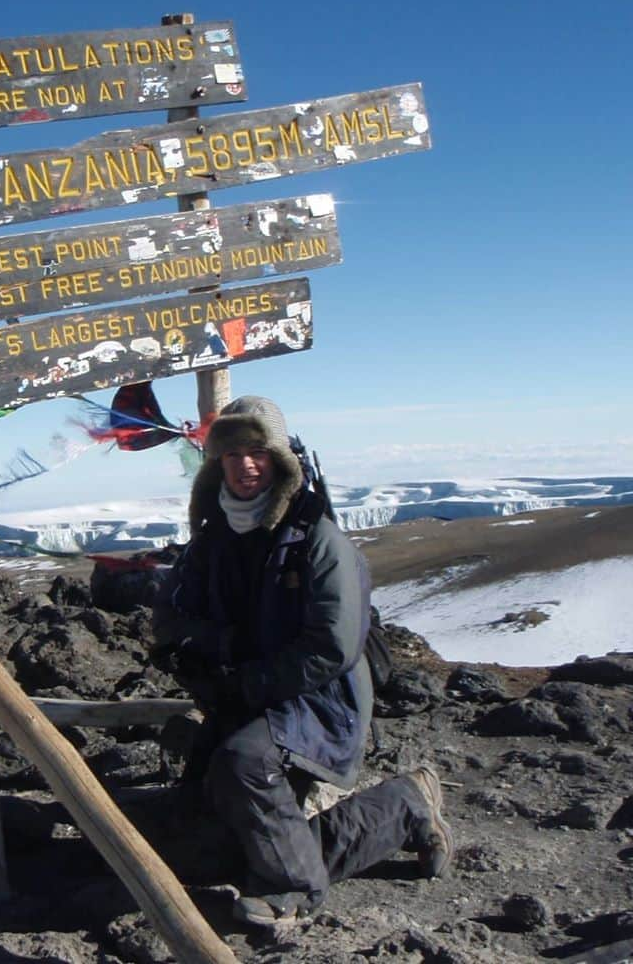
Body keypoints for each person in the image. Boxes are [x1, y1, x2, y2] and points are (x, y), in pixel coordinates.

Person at [153, 395, 454, 927]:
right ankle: (402, 808)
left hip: (317, 697)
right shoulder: (212, 539)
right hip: (245, 691)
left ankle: (294, 890)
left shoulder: (317, 538)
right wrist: (214, 654)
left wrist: (244, 682)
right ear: (217, 465)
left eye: (257, 451)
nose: (245, 464)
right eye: (231, 454)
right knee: (213, 850)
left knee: (245, 764)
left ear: (280, 459)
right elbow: (171, 617)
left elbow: (333, 647)